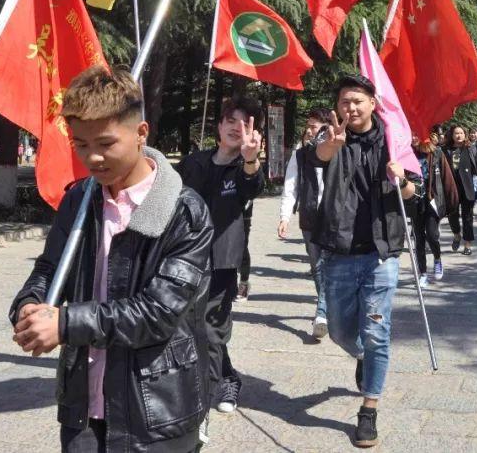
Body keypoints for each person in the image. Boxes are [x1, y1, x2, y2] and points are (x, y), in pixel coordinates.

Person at [9, 65, 213, 452]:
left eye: (105, 143)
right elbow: (51, 269)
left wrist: (66, 323)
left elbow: (158, 313)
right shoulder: (80, 199)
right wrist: (31, 304)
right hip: (84, 403)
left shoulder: (184, 212)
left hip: (156, 407)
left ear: (141, 133)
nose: (93, 158)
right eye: (81, 145)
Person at [305, 74, 418, 448]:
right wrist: (331, 146)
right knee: (338, 330)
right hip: (338, 250)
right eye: (344, 102)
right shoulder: (329, 136)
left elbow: (414, 190)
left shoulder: (394, 138)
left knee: (376, 332)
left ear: (373, 102)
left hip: (382, 253)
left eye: (357, 101)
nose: (350, 108)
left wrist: (401, 179)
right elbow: (316, 158)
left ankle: (368, 410)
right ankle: (362, 356)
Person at [176, 96, 265, 415]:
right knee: (186, 325)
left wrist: (251, 160)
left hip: (223, 260)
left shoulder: (244, 166)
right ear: (218, 126)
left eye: (243, 123)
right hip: (183, 257)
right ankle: (227, 375)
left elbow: (252, 187)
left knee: (212, 327)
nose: (235, 127)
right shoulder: (193, 162)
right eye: (230, 120)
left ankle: (208, 391)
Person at [278, 108, 332, 340]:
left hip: (334, 217)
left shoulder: (336, 148)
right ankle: (327, 310)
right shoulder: (300, 153)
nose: (309, 130)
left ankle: (322, 313)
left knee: (327, 266)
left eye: (315, 125)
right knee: (316, 266)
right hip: (309, 217)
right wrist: (285, 216)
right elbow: (291, 185)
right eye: (308, 125)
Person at [411, 132, 456, 287]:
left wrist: (451, 202)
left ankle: (437, 259)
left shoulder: (436, 153)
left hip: (432, 200)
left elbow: (447, 177)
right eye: (411, 134)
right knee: (418, 237)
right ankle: (422, 273)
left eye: (416, 134)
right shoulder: (407, 152)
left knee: (431, 235)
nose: (413, 137)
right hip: (414, 200)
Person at [443, 125, 477, 255]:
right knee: (452, 215)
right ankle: (457, 234)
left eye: (461, 133)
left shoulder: (471, 149)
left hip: (468, 188)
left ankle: (467, 244)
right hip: (451, 188)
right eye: (456, 133)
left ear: (465, 135)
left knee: (467, 217)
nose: (459, 135)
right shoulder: (445, 150)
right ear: (452, 135)